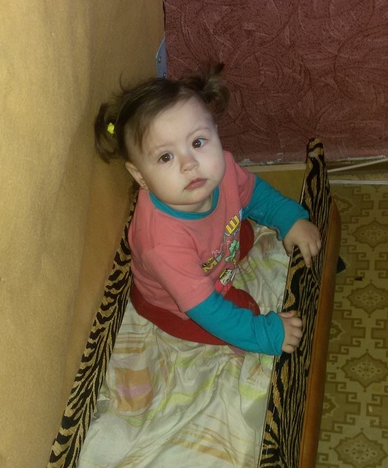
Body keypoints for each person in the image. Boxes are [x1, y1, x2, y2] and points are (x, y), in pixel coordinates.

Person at [94, 64, 321, 356]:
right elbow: (208, 310)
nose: (189, 164)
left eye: (197, 142)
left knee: (245, 233)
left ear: (216, 133)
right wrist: (263, 334)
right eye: (166, 157)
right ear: (140, 177)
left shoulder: (221, 170)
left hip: (212, 257)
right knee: (245, 310)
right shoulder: (161, 243)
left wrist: (289, 218)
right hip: (175, 305)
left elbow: (254, 194)